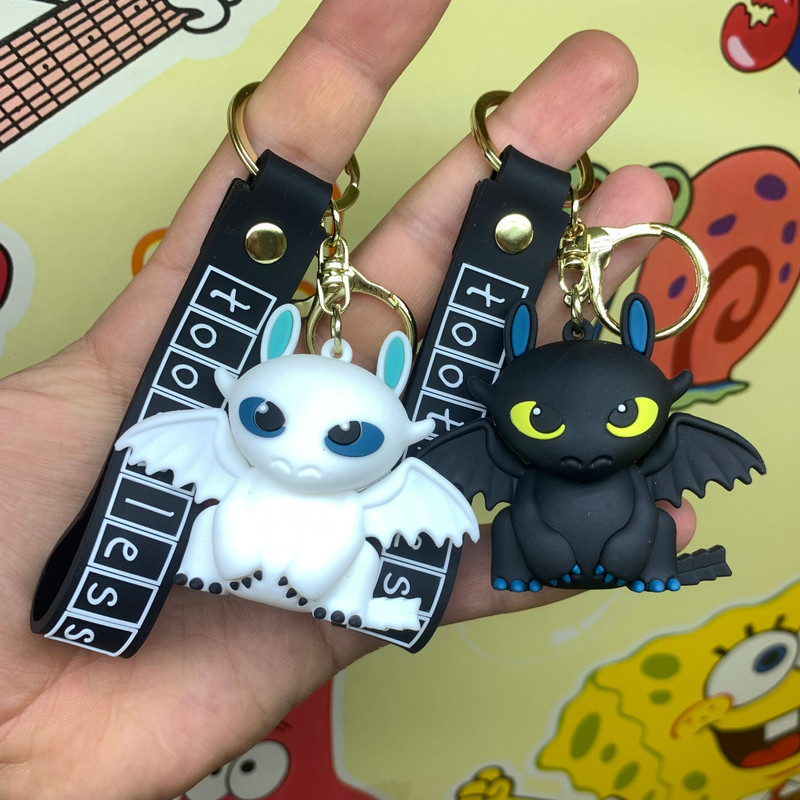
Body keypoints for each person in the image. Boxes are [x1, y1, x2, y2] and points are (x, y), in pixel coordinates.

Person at [0, 1, 694, 797]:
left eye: (347, 439)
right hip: (215, 560)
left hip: (322, 565)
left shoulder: (409, 486)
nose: (301, 451)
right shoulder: (201, 442)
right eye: (265, 418)